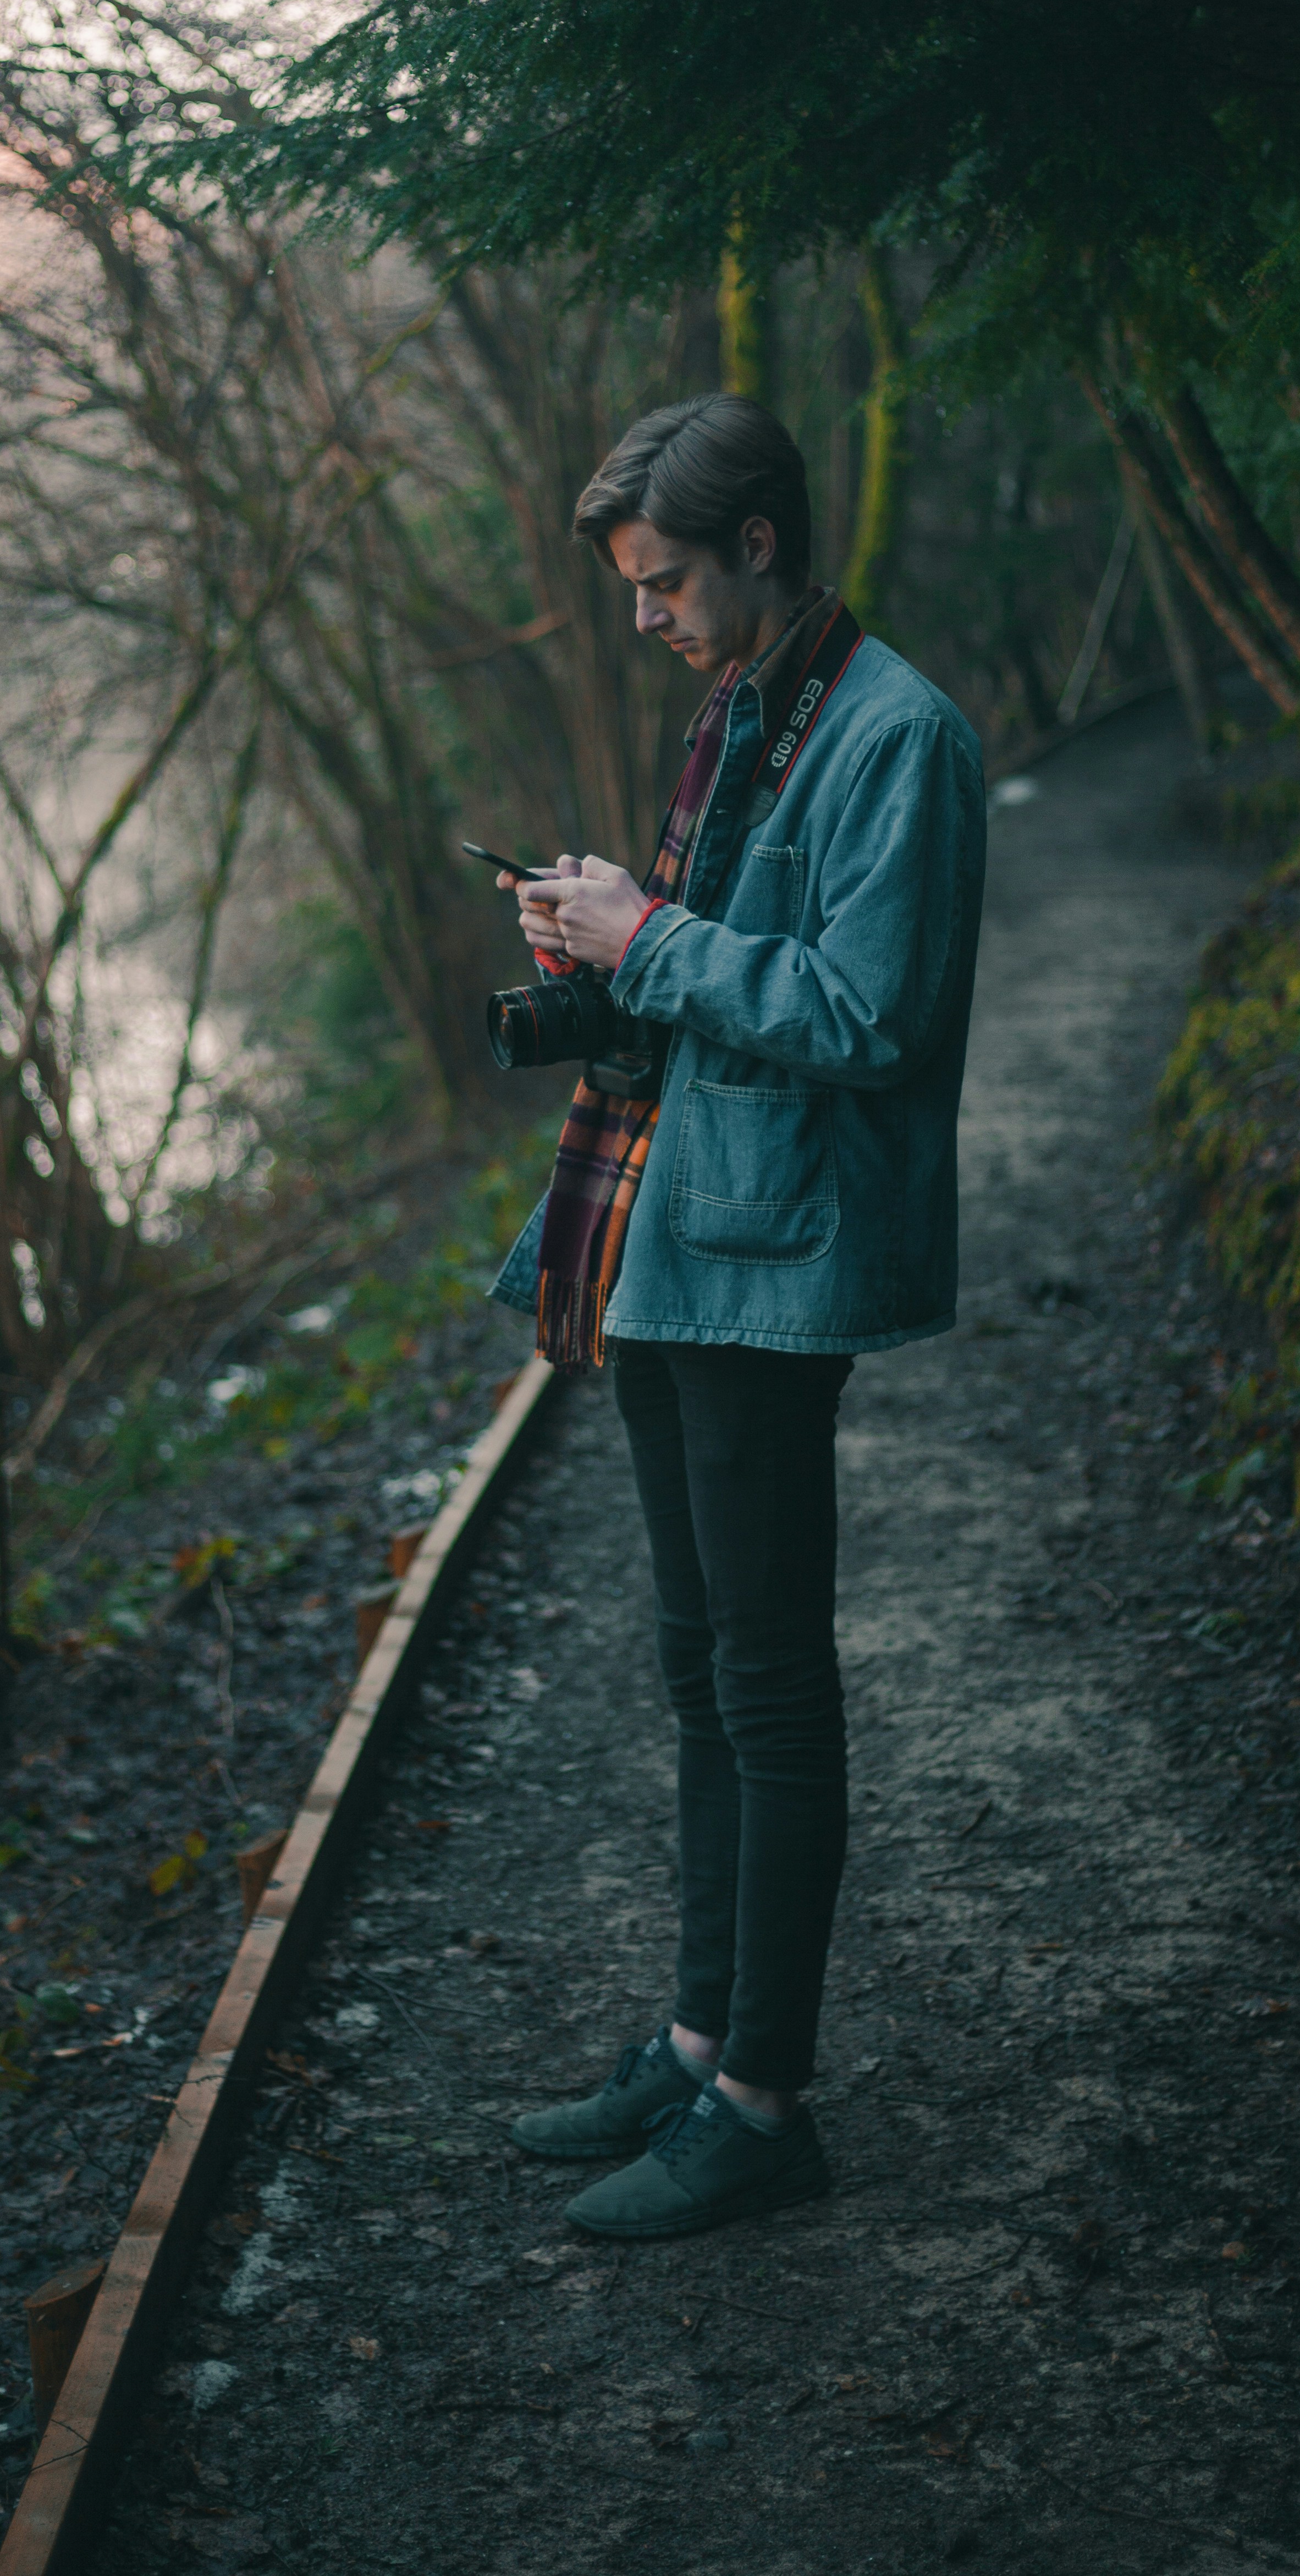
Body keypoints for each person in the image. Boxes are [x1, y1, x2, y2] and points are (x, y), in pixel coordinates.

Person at [487, 391, 986, 2241]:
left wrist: (652, 941)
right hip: (671, 1239)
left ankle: (766, 2107)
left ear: (761, 546)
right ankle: (700, 2041)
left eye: (667, 580)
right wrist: (601, 953)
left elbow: (871, 1017)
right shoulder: (743, 713)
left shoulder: (902, 739)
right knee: (700, 1667)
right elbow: (720, 991)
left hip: (777, 1266)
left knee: (771, 1686)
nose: (648, 616)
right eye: (632, 588)